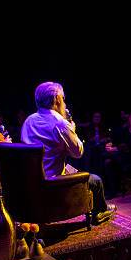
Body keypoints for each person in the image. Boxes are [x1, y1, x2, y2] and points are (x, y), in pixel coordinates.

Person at [21, 82, 116, 224]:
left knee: (74, 169)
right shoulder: (60, 123)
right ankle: (100, 211)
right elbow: (78, 152)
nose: (64, 103)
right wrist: (72, 129)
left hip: (32, 182)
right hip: (53, 184)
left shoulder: (29, 121)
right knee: (96, 180)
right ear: (57, 99)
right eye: (63, 99)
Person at [103, 111, 131, 198]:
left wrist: (115, 149)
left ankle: (113, 190)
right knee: (108, 162)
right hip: (121, 156)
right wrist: (111, 144)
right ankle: (112, 189)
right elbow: (117, 140)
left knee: (107, 156)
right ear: (129, 119)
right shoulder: (126, 130)